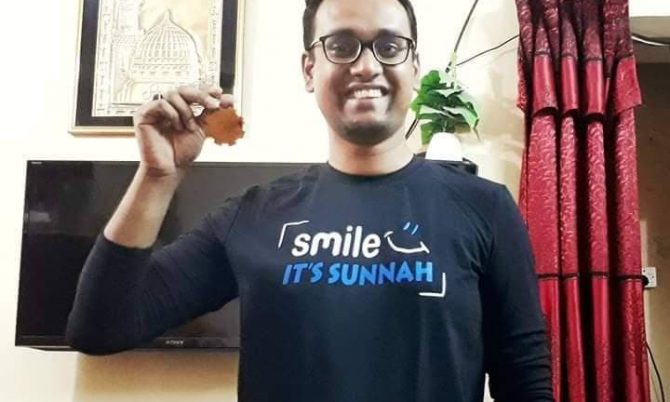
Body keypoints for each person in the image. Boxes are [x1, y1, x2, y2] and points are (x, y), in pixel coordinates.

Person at [66, 0, 553, 401]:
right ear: (309, 69)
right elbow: (100, 328)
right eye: (341, 45)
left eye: (389, 46)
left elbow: (524, 383)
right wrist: (157, 177)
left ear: (414, 65)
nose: (367, 65)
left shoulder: (484, 208)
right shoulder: (252, 216)